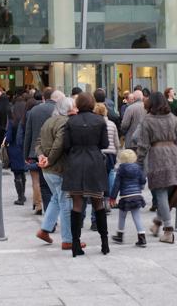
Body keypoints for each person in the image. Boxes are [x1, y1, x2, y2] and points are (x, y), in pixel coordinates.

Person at [62, 92, 110, 257]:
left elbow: (66, 145)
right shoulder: (99, 120)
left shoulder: (71, 121)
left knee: (77, 204)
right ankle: (104, 243)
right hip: (94, 162)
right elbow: (104, 143)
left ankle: (76, 244)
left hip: (75, 162)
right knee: (98, 203)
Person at [36, 97, 85, 251]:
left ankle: (44, 229)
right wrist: (49, 159)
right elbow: (59, 144)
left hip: (48, 170)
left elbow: (38, 142)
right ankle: (68, 240)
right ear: (68, 109)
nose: (77, 110)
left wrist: (41, 157)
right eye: (75, 107)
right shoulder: (65, 122)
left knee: (56, 199)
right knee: (66, 203)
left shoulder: (49, 121)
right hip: (59, 169)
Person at [137, 91, 177, 244]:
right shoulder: (173, 118)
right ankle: (157, 224)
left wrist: (139, 163)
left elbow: (143, 145)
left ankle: (168, 231)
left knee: (161, 194)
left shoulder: (147, 121)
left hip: (157, 157)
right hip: (174, 155)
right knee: (168, 194)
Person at [24, 88, 61, 215]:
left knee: (36, 181)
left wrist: (26, 154)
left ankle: (39, 205)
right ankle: (54, 210)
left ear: (44, 98)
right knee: (54, 183)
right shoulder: (58, 110)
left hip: (36, 151)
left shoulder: (34, 110)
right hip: (54, 152)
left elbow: (28, 133)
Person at [110, 149, 147, 247]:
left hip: (126, 197)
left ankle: (120, 235)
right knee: (137, 217)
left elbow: (116, 184)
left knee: (122, 216)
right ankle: (142, 238)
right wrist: (140, 186)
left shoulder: (121, 169)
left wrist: (112, 197)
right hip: (136, 196)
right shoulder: (138, 168)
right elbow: (143, 180)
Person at [94, 102, 120, 210]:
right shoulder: (111, 124)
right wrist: (117, 153)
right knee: (110, 175)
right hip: (110, 153)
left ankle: (100, 199)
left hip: (99, 152)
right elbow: (116, 141)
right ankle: (109, 201)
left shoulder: (94, 123)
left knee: (99, 177)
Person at [5, 107, 27, 205]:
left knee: (17, 174)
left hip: (14, 149)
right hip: (23, 149)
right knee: (22, 172)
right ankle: (23, 195)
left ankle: (20, 197)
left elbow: (8, 138)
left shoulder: (11, 122)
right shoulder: (25, 121)